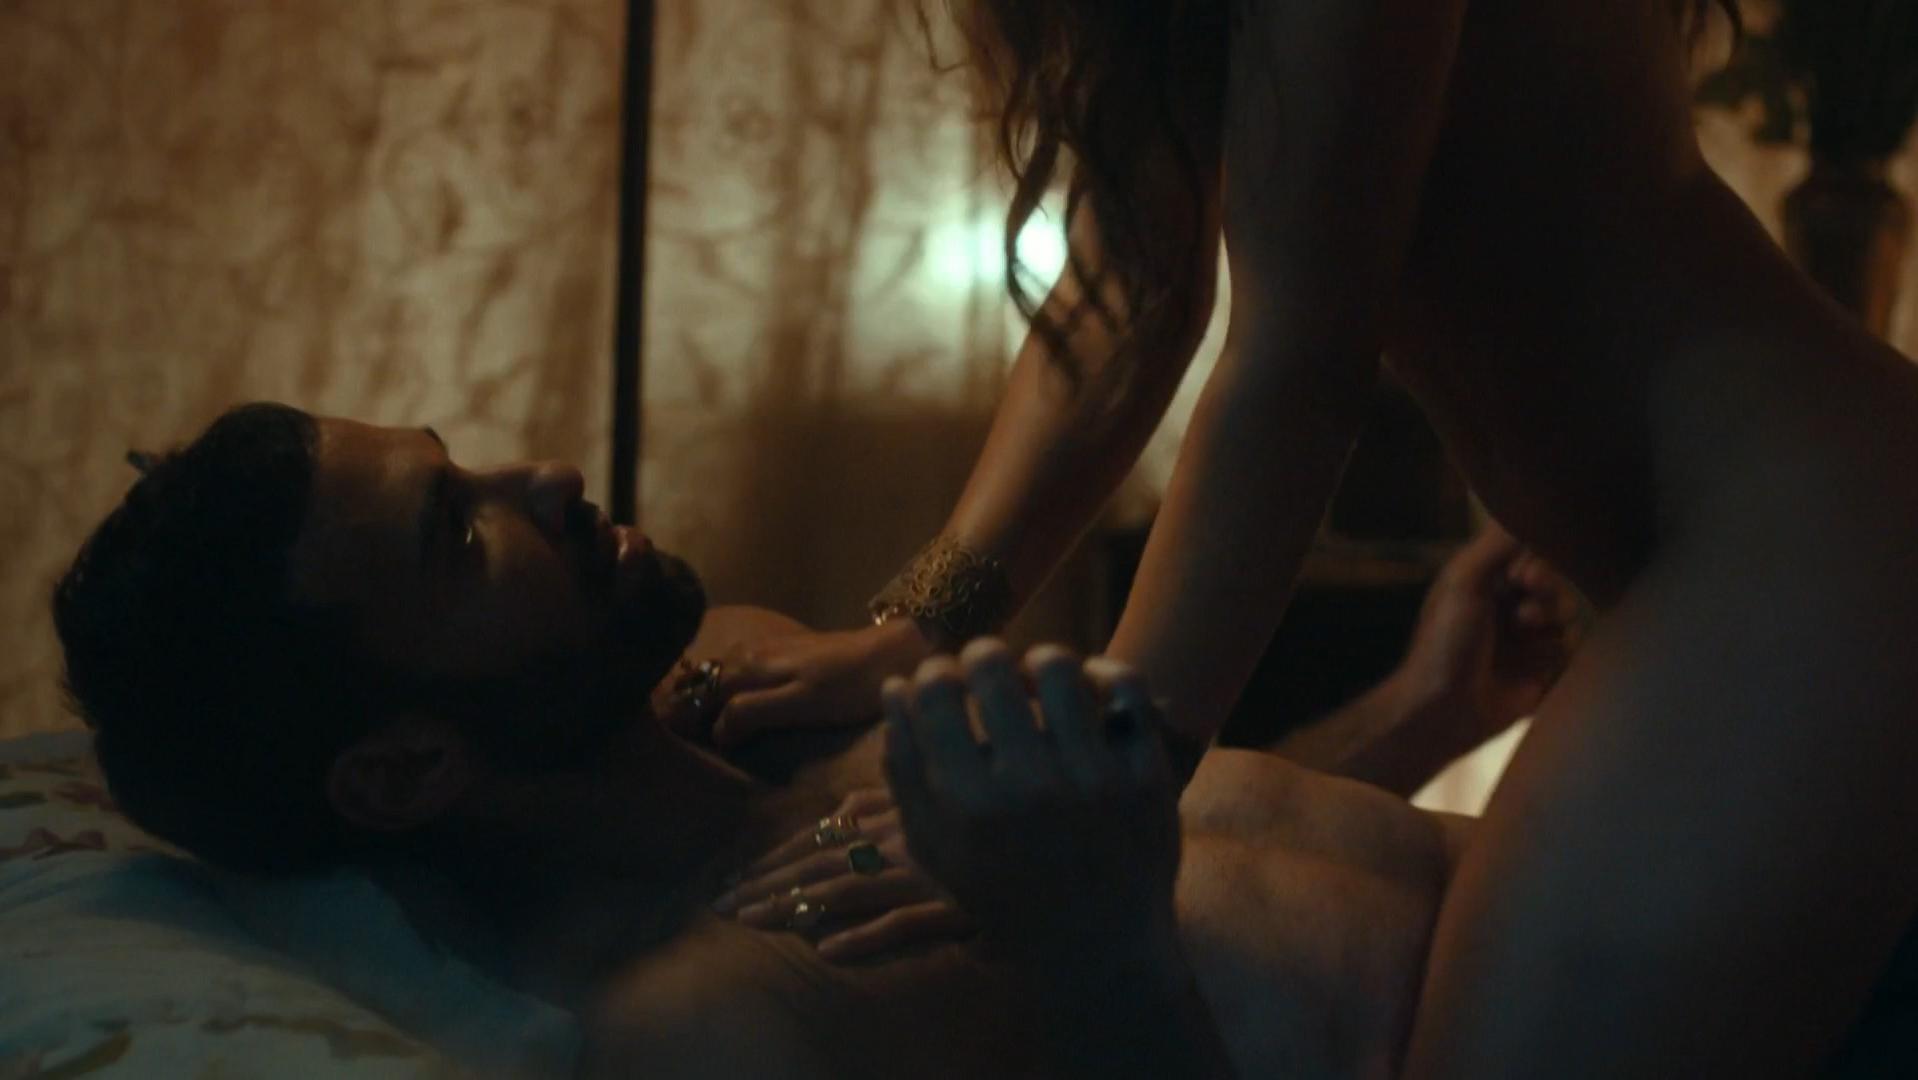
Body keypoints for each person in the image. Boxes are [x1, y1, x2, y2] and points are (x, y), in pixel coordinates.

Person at [703, 1, 1918, 1071]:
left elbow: (1298, 358)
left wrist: (1096, 782)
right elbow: (1128, 282)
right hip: (1724, 550)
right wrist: (920, 622)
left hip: (1809, 522)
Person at [56, 404, 1577, 1076]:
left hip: (1604, 892)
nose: (547, 477)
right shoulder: (710, 1027)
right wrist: (1100, 954)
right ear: (400, 770)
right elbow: (1133, 925)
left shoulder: (751, 681)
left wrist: (1425, 710)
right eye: (456, 532)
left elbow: (1202, 875)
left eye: (465, 462)